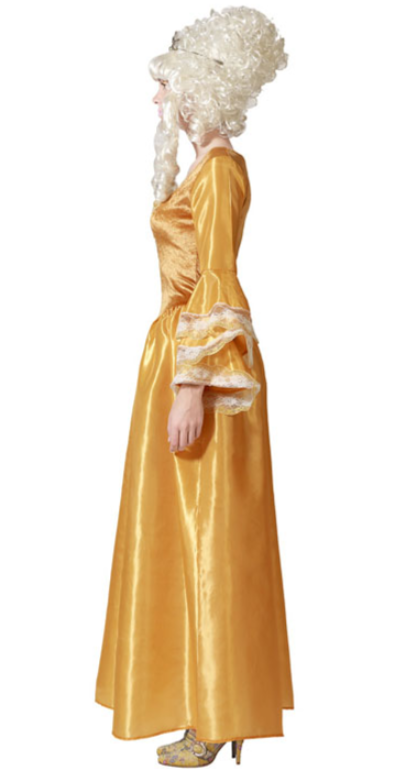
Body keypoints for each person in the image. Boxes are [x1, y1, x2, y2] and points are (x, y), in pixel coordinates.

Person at [95, 6, 294, 767]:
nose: (158, 98)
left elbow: (217, 278)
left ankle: (216, 714)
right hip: (180, 358)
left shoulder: (217, 172)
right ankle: (207, 702)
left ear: (201, 88)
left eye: (167, 84)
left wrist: (190, 387)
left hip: (203, 369)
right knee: (184, 536)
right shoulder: (209, 168)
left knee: (211, 538)